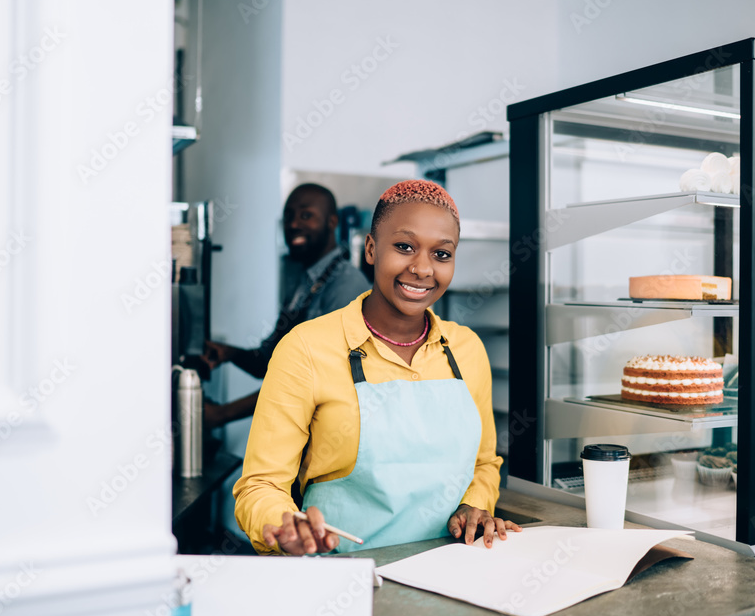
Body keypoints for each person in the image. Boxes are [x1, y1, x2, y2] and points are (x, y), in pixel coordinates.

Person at [234, 179, 519, 555]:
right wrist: (285, 527)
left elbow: (484, 463)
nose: (422, 268)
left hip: (448, 574)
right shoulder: (306, 348)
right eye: (404, 247)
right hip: (343, 580)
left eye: (442, 254)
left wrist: (475, 504)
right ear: (371, 249)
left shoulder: (466, 349)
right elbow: (260, 486)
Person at [200, 183, 369, 427]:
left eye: (306, 215)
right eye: (288, 216)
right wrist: (229, 353)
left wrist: (222, 414)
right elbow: (269, 361)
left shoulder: (346, 287)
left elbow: (312, 382)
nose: (293, 224)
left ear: (332, 222)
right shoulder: (303, 282)